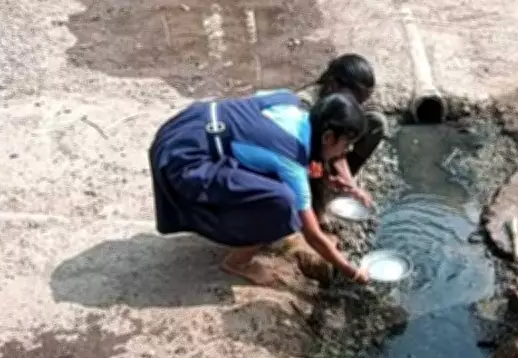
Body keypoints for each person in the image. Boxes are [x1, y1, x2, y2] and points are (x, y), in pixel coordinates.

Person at [149, 90, 370, 284]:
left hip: (186, 124)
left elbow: (262, 144)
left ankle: (249, 233)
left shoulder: (288, 102)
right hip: (184, 159)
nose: (347, 151)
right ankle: (238, 262)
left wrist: (328, 178)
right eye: (346, 144)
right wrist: (351, 271)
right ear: (328, 137)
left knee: (277, 188)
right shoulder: (291, 159)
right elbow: (312, 235)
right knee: (283, 204)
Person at [296, 53, 388, 215]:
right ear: (333, 85)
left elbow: (339, 147)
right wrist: (322, 177)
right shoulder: (304, 109)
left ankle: (335, 182)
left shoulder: (341, 105)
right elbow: (304, 158)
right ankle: (320, 187)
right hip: (302, 160)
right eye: (356, 98)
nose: (357, 105)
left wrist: (350, 184)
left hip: (325, 150)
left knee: (376, 122)